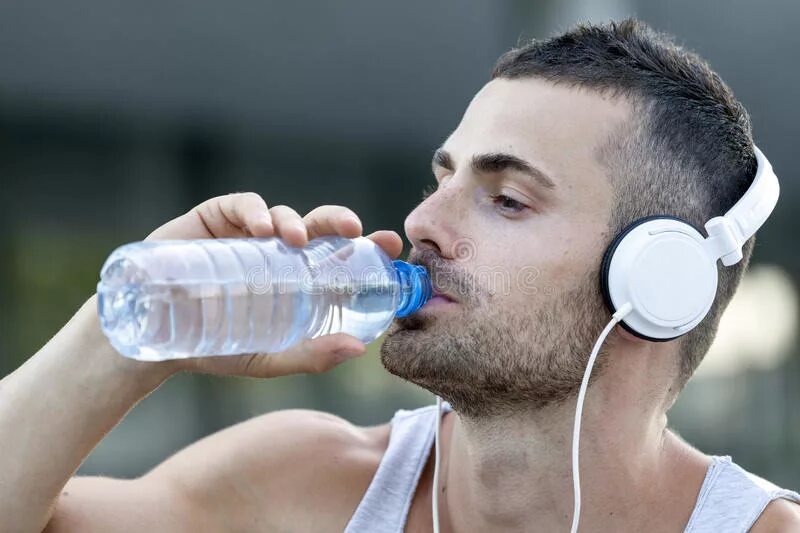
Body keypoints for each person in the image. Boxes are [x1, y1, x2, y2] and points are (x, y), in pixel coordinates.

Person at [1, 18, 798, 533]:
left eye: (507, 199)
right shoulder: (305, 486)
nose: (421, 223)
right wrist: (121, 344)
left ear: (657, 284)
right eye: (440, 180)